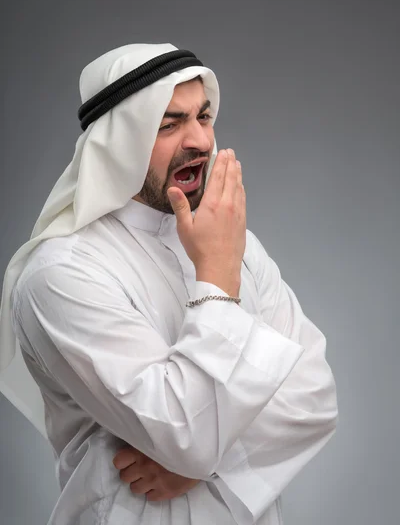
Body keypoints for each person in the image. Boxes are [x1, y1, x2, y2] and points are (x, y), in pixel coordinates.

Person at [0, 43, 338, 524]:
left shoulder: (236, 244)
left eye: (203, 116)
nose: (200, 140)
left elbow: (314, 397)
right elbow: (184, 434)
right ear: (119, 141)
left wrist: (210, 467)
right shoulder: (62, 274)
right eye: (169, 124)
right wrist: (218, 279)